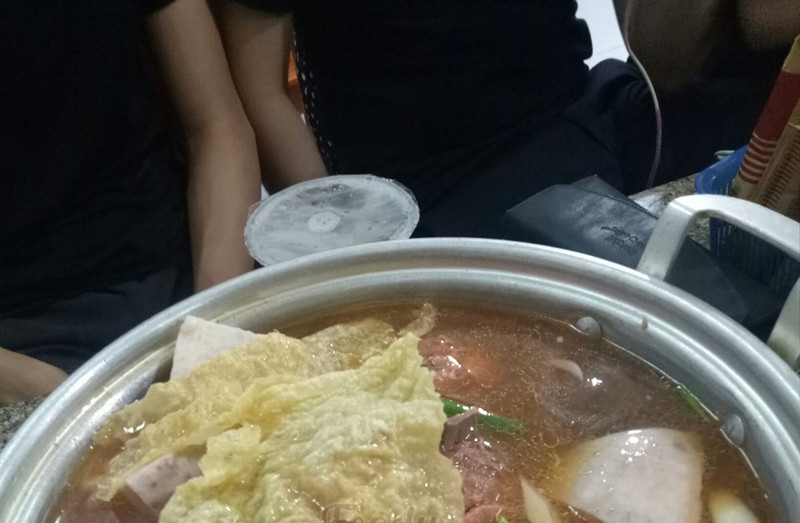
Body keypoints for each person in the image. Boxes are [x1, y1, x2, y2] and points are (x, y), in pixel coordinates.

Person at [213, 0, 798, 239]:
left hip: (577, 117)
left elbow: (669, 57)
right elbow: (261, 99)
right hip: (425, 186)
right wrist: (345, 240)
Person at [0, 0, 261, 403]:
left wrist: (214, 322)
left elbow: (217, 124)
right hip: (18, 340)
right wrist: (45, 390)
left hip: (181, 271)